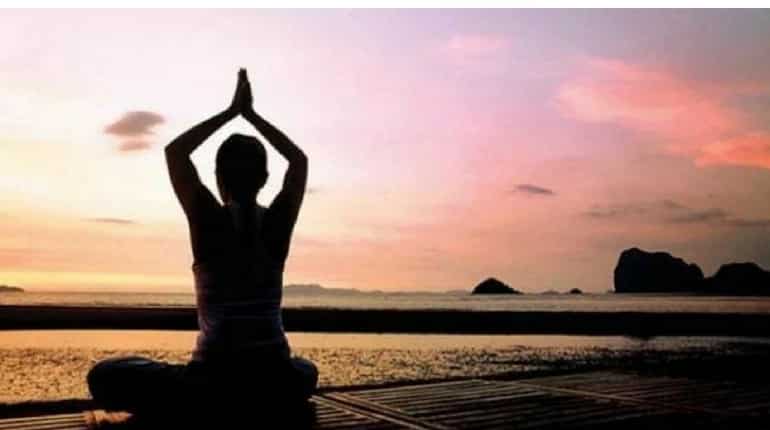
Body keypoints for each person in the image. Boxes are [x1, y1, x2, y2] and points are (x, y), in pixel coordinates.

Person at [87, 69, 318, 418]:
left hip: (211, 380)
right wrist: (251, 116)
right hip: (275, 378)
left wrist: (231, 112)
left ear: (218, 178)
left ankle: (207, 404)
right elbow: (299, 161)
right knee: (306, 370)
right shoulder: (277, 223)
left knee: (104, 375)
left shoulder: (209, 220)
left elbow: (176, 152)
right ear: (265, 178)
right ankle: (249, 402)